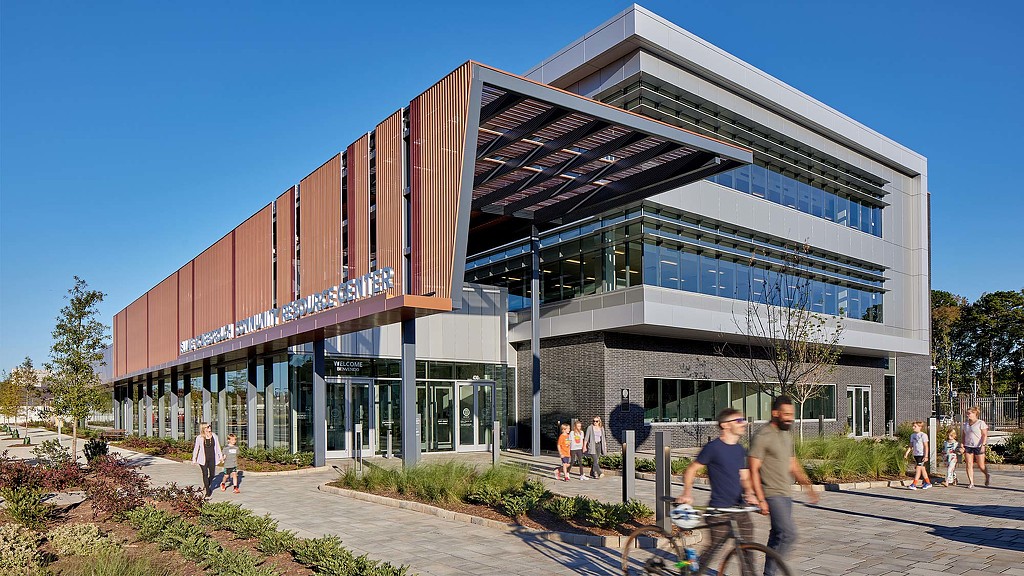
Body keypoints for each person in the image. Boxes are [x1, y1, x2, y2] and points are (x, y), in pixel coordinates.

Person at [676, 408, 757, 567]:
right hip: (719, 510)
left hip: (739, 508)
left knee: (748, 550)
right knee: (714, 549)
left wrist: (750, 492)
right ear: (725, 425)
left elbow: (745, 476)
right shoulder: (713, 447)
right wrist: (687, 493)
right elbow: (691, 469)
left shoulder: (740, 449)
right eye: (739, 420)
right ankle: (690, 568)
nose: (744, 423)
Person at [749, 395, 818, 576]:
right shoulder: (762, 435)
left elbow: (792, 464)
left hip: (785, 493)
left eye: (791, 414)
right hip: (771, 494)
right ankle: (774, 572)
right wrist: (760, 498)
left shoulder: (787, 433)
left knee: (777, 535)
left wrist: (809, 487)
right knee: (789, 534)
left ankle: (768, 573)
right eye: (786, 414)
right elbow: (753, 469)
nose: (790, 417)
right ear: (775, 413)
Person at [961, 407, 991, 488]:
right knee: (969, 464)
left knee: (981, 465)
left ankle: (987, 475)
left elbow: (984, 434)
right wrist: (962, 444)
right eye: (967, 413)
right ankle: (971, 482)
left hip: (978, 446)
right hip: (968, 446)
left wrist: (983, 445)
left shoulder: (981, 423)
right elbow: (964, 435)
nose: (967, 415)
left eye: (969, 413)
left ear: (975, 414)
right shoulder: (966, 424)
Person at [191, 422, 223, 497]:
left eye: (210, 426)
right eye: (208, 427)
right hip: (203, 459)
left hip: (212, 458)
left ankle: (207, 484)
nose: (209, 428)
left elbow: (218, 447)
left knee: (212, 475)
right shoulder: (199, 437)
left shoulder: (214, 436)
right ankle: (208, 491)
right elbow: (196, 448)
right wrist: (194, 459)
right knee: (205, 474)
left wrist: (220, 456)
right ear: (204, 428)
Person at [904, 421, 933, 490]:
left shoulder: (923, 435)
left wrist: (926, 456)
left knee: (918, 469)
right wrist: (907, 453)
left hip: (921, 454)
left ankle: (914, 484)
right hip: (916, 454)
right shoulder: (912, 435)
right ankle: (928, 483)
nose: (913, 427)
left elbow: (926, 446)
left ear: (920, 427)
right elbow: (911, 445)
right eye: (913, 426)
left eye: (915, 426)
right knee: (922, 469)